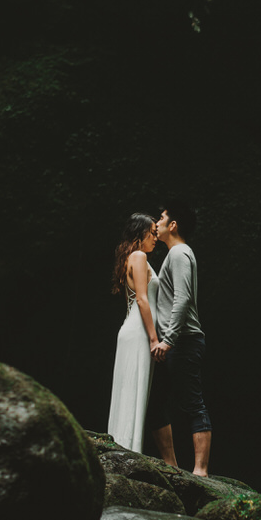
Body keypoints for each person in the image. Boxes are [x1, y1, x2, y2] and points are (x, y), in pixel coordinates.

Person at [150, 202, 213, 476]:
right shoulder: (175, 254)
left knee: (192, 403)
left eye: (161, 218)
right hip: (175, 341)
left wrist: (168, 339)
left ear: (173, 225)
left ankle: (201, 472)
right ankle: (171, 467)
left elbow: (183, 299)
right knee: (155, 402)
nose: (157, 222)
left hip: (183, 340)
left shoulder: (179, 253)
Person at [106, 213, 161, 452]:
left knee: (132, 389)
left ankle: (124, 447)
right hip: (139, 331)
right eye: (152, 234)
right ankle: (128, 450)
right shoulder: (138, 256)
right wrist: (154, 337)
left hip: (135, 330)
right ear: (140, 235)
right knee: (134, 389)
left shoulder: (134, 257)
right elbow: (142, 299)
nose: (155, 238)